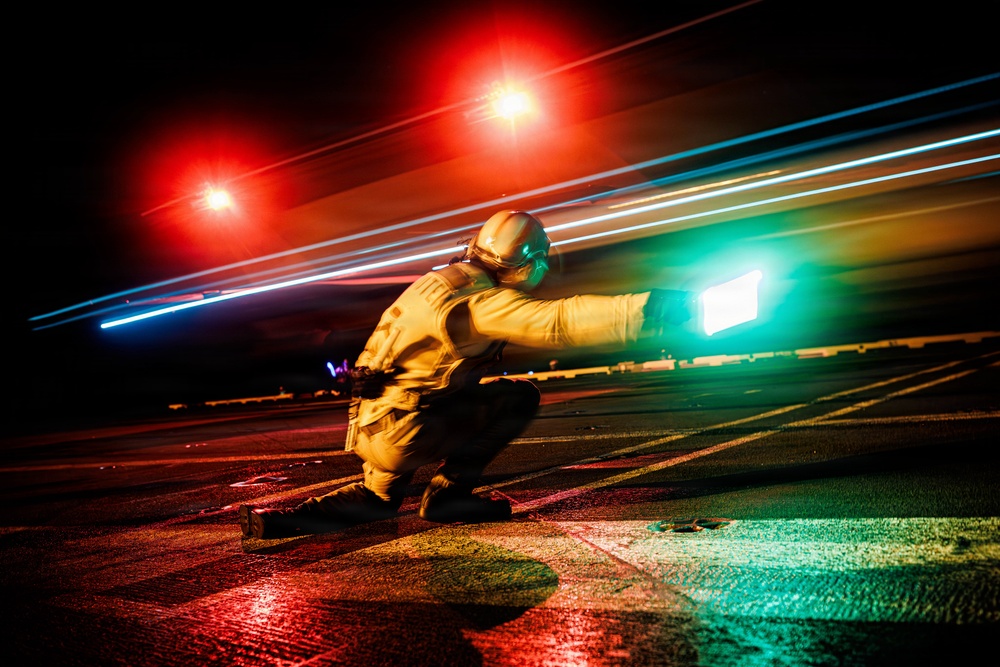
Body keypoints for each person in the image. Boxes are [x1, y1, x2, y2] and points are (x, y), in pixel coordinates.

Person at [240, 209, 692, 539]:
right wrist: (650, 309)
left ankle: (277, 521)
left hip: (373, 424)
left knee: (376, 500)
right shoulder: (482, 302)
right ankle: (449, 496)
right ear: (528, 262)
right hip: (410, 428)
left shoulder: (435, 282)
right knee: (518, 396)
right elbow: (559, 321)